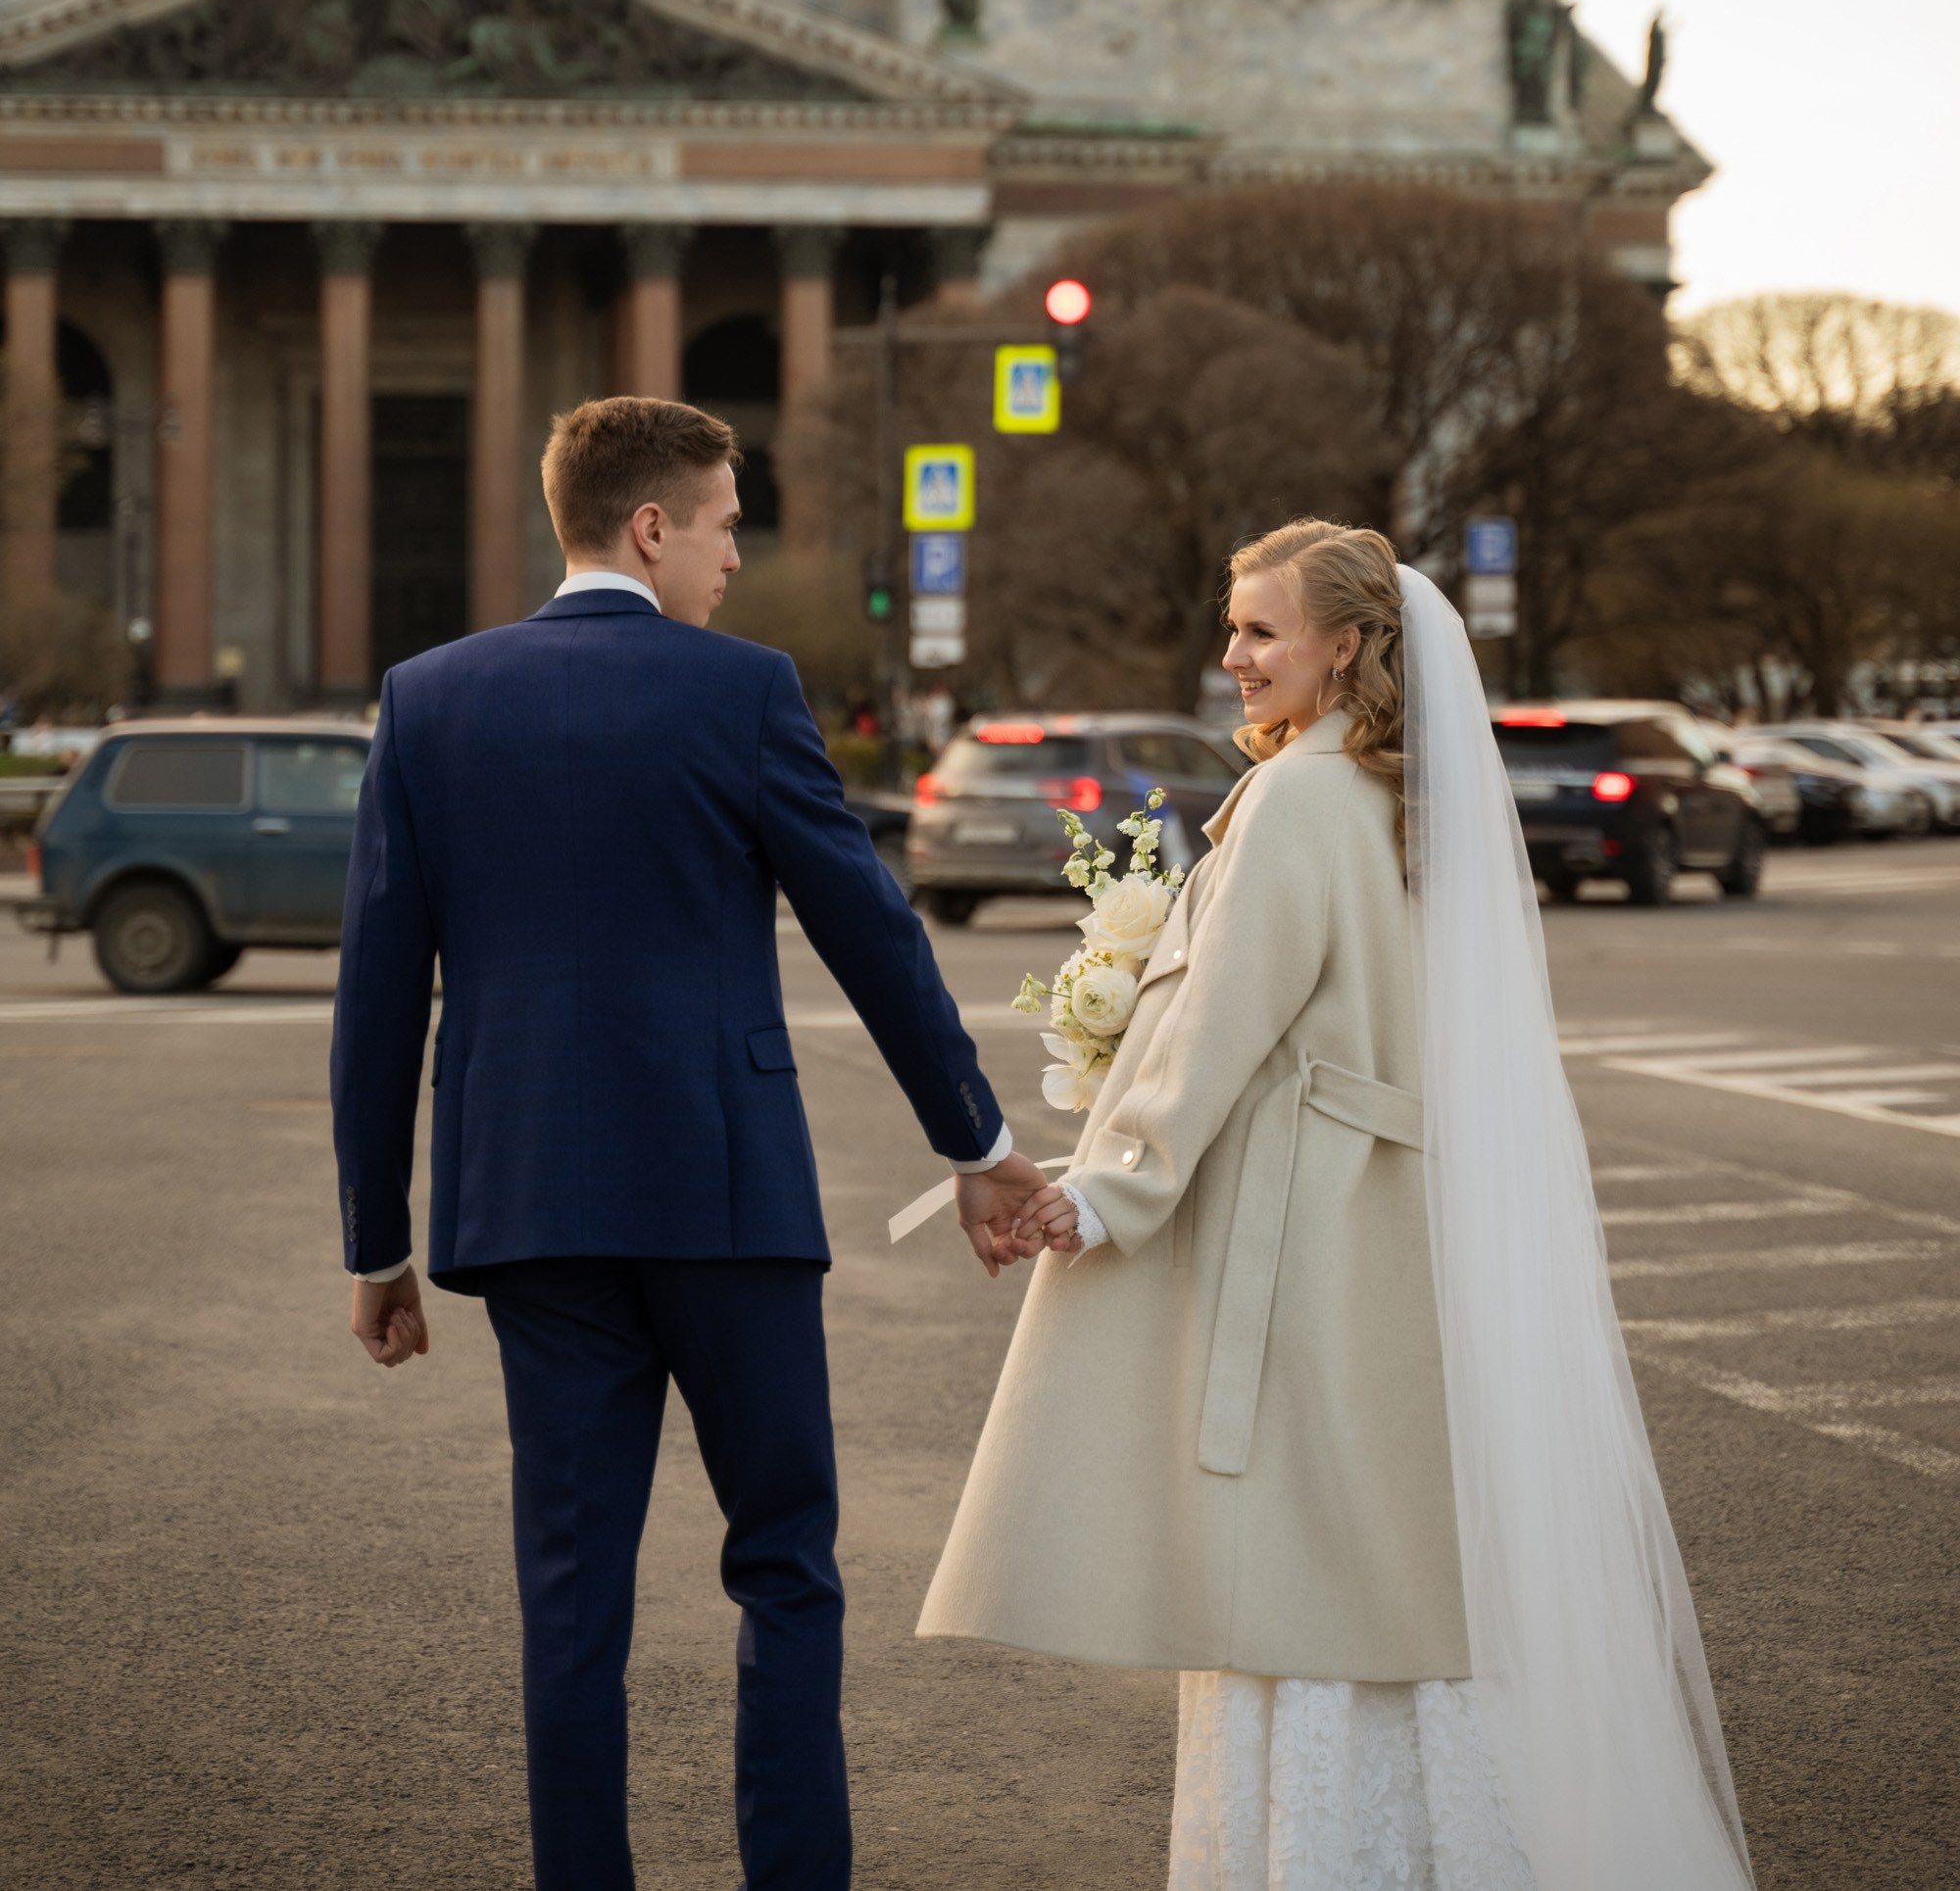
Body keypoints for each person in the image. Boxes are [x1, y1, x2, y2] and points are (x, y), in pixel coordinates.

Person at [920, 518, 1756, 1891]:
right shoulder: (1405, 800)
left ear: (1351, 645)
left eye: (1260, 630)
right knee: (1403, 1564)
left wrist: (1109, 1189)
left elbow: (1220, 1027)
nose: (1233, 655)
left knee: (1298, 1571)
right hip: (1398, 1223)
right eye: (1234, 625)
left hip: (1303, 1238)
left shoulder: (1303, 798)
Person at [329, 394, 1046, 1891]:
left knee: (572, 1594)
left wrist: (377, 1243)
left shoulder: (430, 699)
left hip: (525, 1208)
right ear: (652, 525)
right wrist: (976, 1144)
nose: (734, 556)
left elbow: (378, 993)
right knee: (784, 1565)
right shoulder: (742, 692)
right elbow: (868, 929)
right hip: (730, 1202)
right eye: (724, 524)